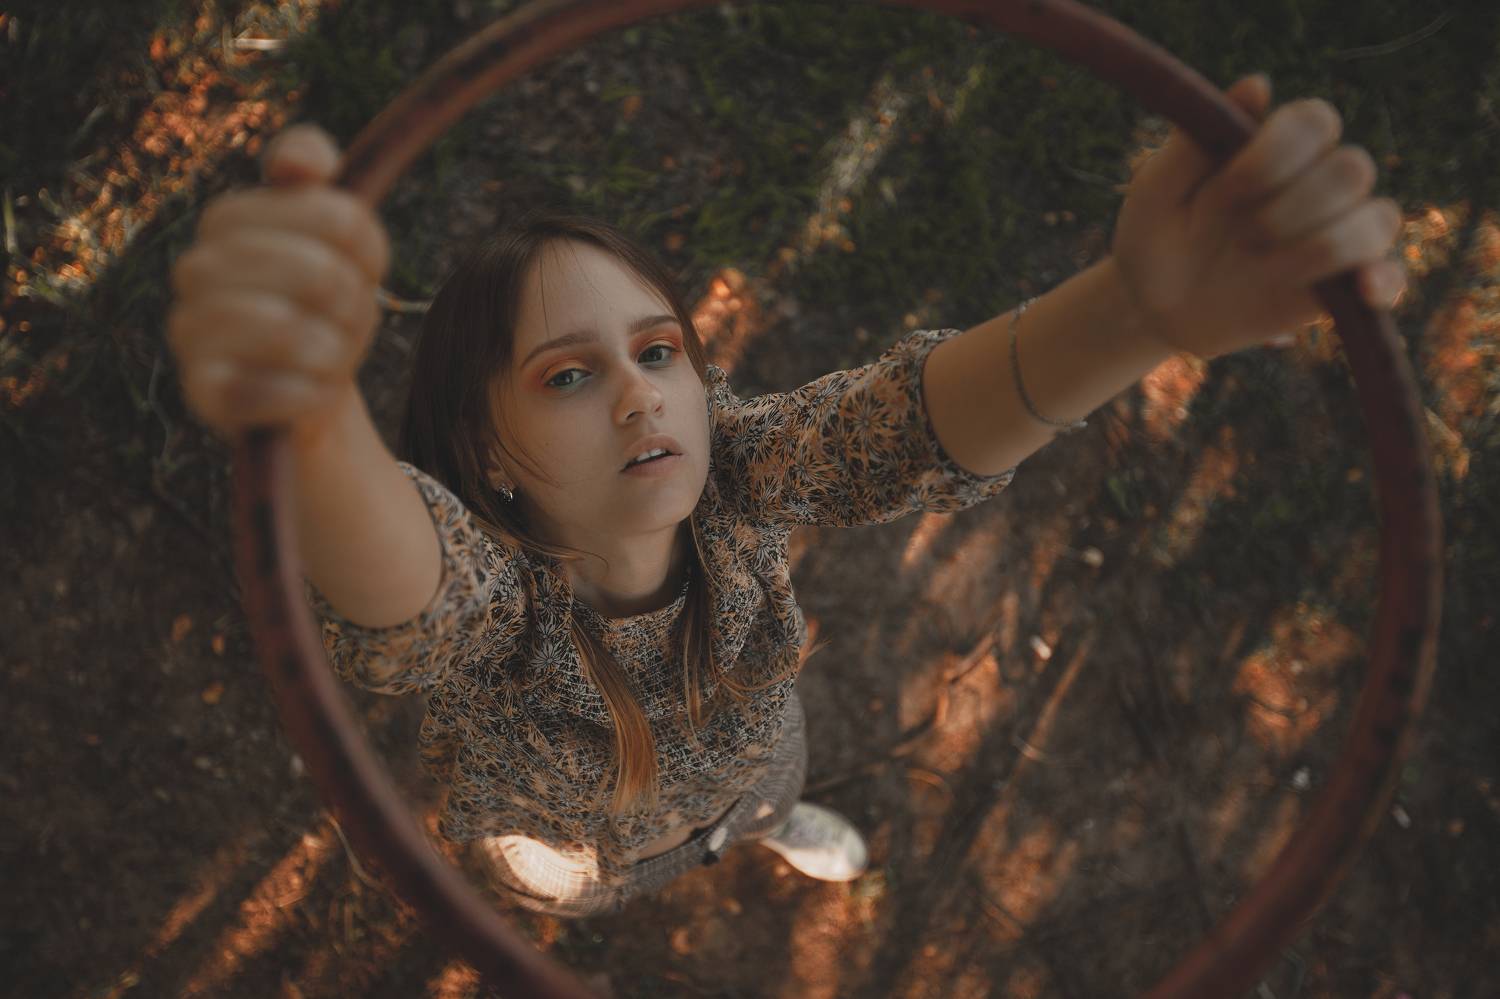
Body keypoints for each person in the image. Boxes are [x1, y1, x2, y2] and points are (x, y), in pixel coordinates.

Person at [165, 72, 1406, 918]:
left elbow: (897, 430)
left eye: (659, 351)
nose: (642, 396)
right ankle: (632, 882)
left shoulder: (739, 476)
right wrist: (312, 419)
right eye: (569, 375)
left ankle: (764, 829)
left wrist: (1130, 314)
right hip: (572, 852)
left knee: (764, 800)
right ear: (486, 455)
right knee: (580, 894)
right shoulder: (499, 609)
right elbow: (409, 591)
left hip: (756, 760)